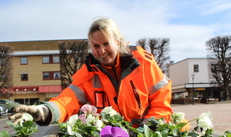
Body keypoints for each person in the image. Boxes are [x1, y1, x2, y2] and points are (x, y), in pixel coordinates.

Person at [9, 17, 173, 128]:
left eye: (106, 43)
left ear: (118, 41)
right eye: (96, 46)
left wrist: (146, 130)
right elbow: (67, 101)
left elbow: (160, 103)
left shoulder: (143, 64)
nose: (101, 51)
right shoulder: (87, 73)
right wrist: (44, 111)